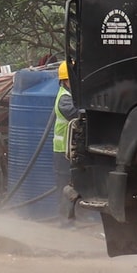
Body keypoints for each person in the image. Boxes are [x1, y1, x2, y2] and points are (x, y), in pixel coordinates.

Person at [52, 61, 78, 227]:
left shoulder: (69, 96)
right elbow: (75, 113)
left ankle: (73, 218)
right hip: (63, 151)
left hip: (70, 150)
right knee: (64, 187)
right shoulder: (64, 99)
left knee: (74, 185)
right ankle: (65, 221)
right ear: (66, 80)